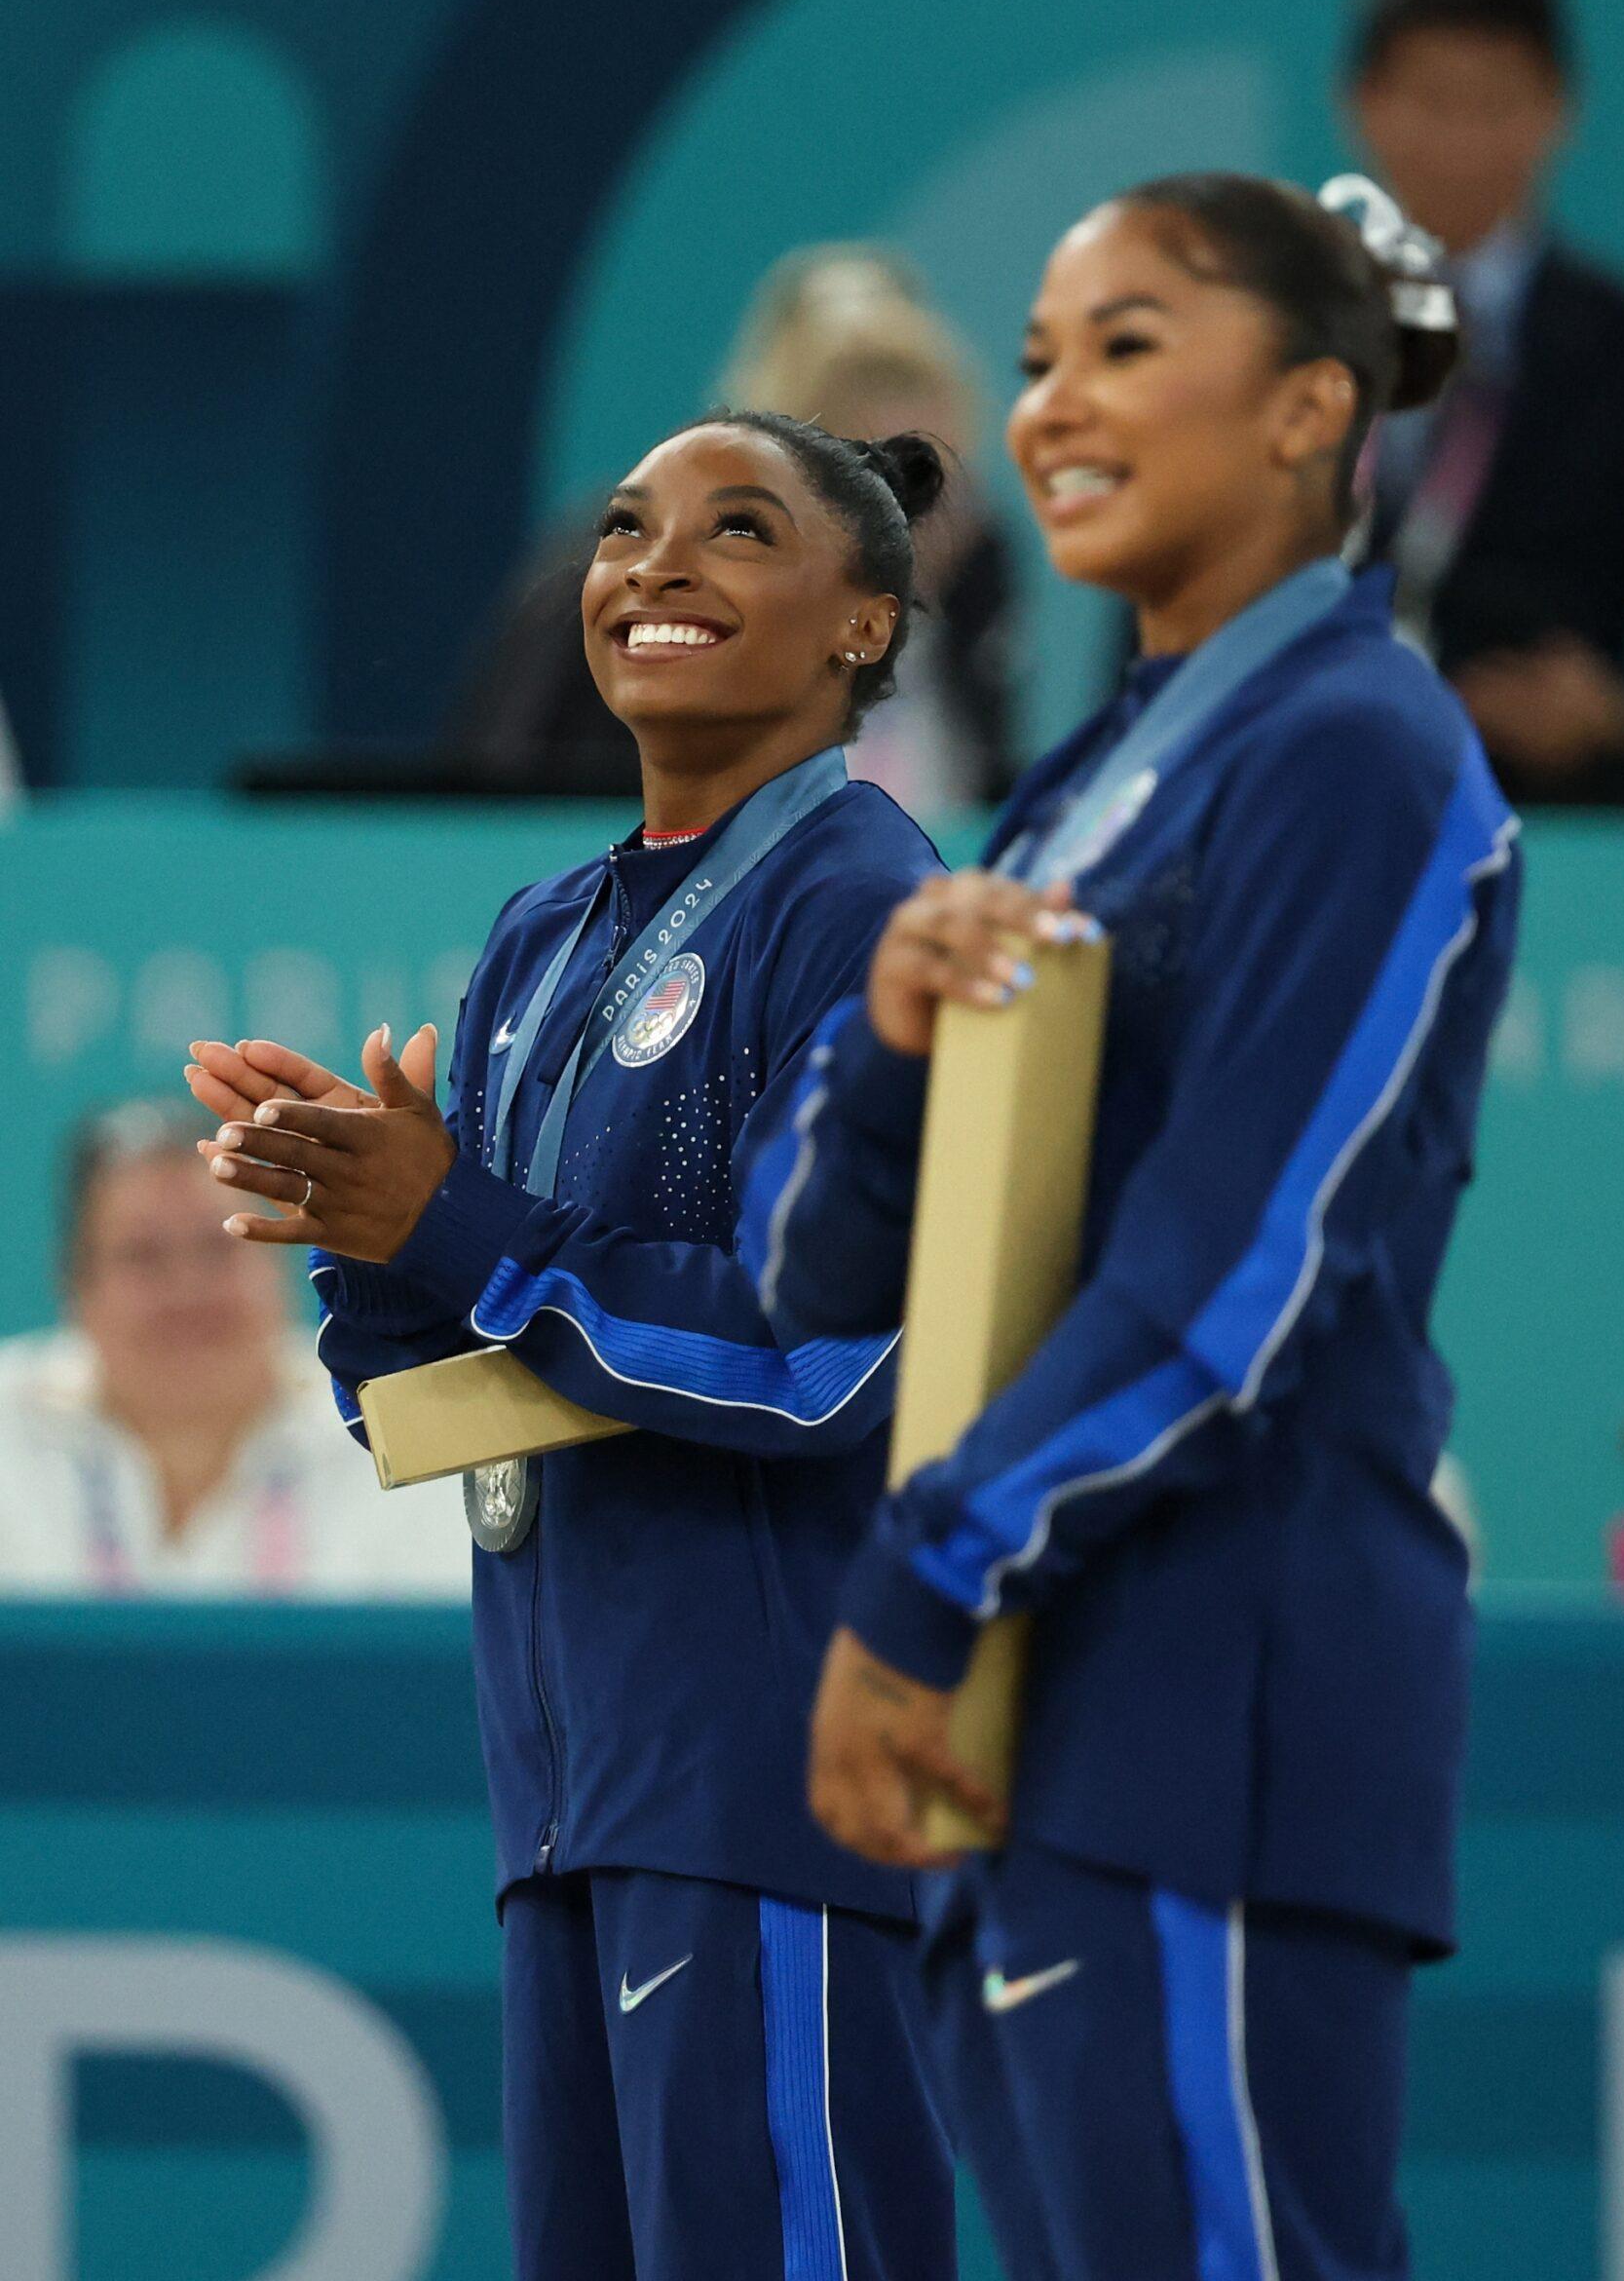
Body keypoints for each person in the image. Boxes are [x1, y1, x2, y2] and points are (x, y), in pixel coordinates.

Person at [752, 175, 1521, 2280]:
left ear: (1300, 410)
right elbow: (816, 1280)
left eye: (1123, 343)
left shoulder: (1360, 749)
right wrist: (893, 1044)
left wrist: (916, 1586)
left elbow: (1239, 1289)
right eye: (1032, 361)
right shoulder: (1083, 779)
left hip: (1215, 1709)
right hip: (1034, 1726)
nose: (1048, 406)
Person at [187, 414, 958, 2281]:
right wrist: (362, 1240)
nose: (655, 567)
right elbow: (463, 1405)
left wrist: (449, 1217)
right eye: (625, 530)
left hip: (768, 1775)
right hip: (568, 1787)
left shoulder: (862, 903)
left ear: (862, 625)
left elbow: (822, 1361)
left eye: (738, 531)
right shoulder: (540, 939)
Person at [452, 246, 1023, 809]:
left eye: (933, 487)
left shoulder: (971, 576)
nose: (919, 530)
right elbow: (496, 810)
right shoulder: (619, 575)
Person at [1344, 0, 1624, 803]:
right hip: (1301, 823)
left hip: (1560, 840)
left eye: (1495, 104)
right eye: (1432, 101)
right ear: (1362, 102)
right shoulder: (1273, 342)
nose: (1460, 144)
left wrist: (1621, 711)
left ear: (1557, 109)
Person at [0, 1101, 468, 1595]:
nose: (186, 1290)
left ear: (280, 1266)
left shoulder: (392, 1431)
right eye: (143, 1256)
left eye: (219, 1246)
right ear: (77, 1288)